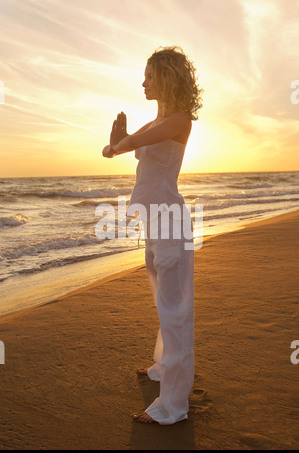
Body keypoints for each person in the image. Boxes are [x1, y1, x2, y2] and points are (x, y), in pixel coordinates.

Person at [102, 46, 203, 424]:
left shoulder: (178, 120)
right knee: (163, 300)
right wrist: (117, 142)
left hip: (171, 221)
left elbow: (123, 146)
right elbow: (109, 151)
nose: (143, 82)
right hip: (155, 222)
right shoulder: (152, 124)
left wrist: (121, 142)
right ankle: (163, 366)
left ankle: (172, 407)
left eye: (149, 74)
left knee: (175, 311)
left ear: (166, 76)